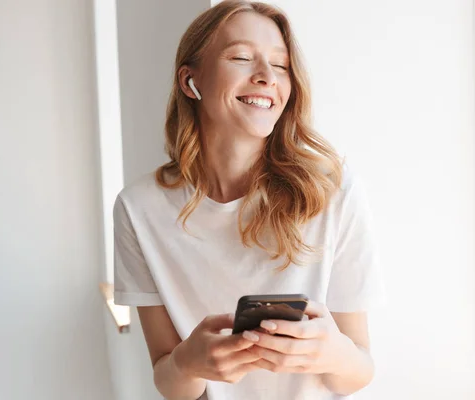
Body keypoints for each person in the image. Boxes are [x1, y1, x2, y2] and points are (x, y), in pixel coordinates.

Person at [112, 1, 385, 399]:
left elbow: (358, 372)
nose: (266, 77)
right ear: (192, 81)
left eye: (280, 65)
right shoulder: (138, 209)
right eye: (241, 57)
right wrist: (189, 362)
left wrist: (332, 352)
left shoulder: (334, 193)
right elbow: (169, 381)